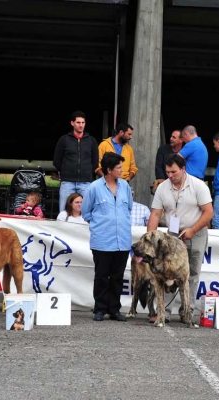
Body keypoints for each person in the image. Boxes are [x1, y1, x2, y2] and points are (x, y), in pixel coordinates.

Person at [147, 154, 213, 323]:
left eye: (174, 172)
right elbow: (155, 214)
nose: (170, 175)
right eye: (168, 172)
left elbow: (209, 212)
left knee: (192, 273)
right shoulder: (162, 188)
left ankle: (187, 312)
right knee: (166, 272)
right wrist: (150, 241)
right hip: (173, 233)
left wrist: (193, 229)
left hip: (196, 232)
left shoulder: (198, 186)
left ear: (183, 169)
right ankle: (164, 313)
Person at [82, 152, 132, 322]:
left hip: (123, 240)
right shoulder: (94, 187)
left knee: (118, 276)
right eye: (119, 167)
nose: (122, 170)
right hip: (102, 240)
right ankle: (100, 308)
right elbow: (85, 212)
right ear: (109, 169)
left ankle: (115, 309)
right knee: (102, 275)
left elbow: (129, 209)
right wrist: (100, 225)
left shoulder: (125, 186)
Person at [53, 110, 99, 212]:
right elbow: (56, 160)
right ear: (72, 123)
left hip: (85, 182)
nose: (81, 125)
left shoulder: (91, 141)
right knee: (64, 211)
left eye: (83, 122)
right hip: (67, 182)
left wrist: (88, 171)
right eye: (78, 122)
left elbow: (95, 161)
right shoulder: (64, 139)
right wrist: (66, 171)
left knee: (87, 211)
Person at [153, 129, 184, 194]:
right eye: (171, 136)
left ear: (181, 140)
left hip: (180, 184)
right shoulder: (163, 149)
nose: (171, 139)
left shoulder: (185, 151)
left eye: (174, 137)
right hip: (164, 182)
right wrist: (162, 181)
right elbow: (158, 166)